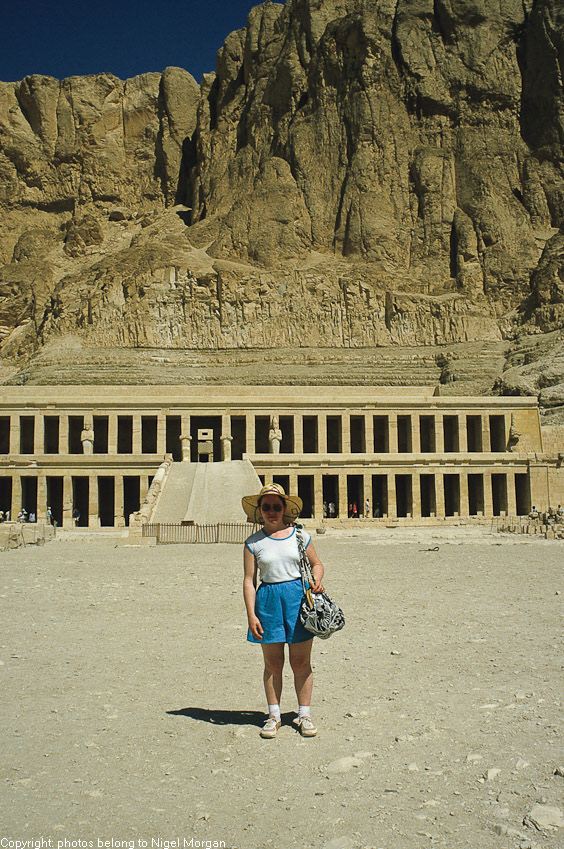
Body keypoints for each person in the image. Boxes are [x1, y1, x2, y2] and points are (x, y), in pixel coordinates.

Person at [242, 483, 325, 739]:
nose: (271, 511)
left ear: (284, 509)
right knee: (273, 663)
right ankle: (274, 715)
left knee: (301, 662)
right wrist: (251, 614)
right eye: (266, 507)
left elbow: (317, 564)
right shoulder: (253, 542)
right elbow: (249, 580)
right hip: (268, 601)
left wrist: (317, 579)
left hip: (297, 600)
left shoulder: (300, 536)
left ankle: (304, 715)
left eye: (276, 507)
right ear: (259, 510)